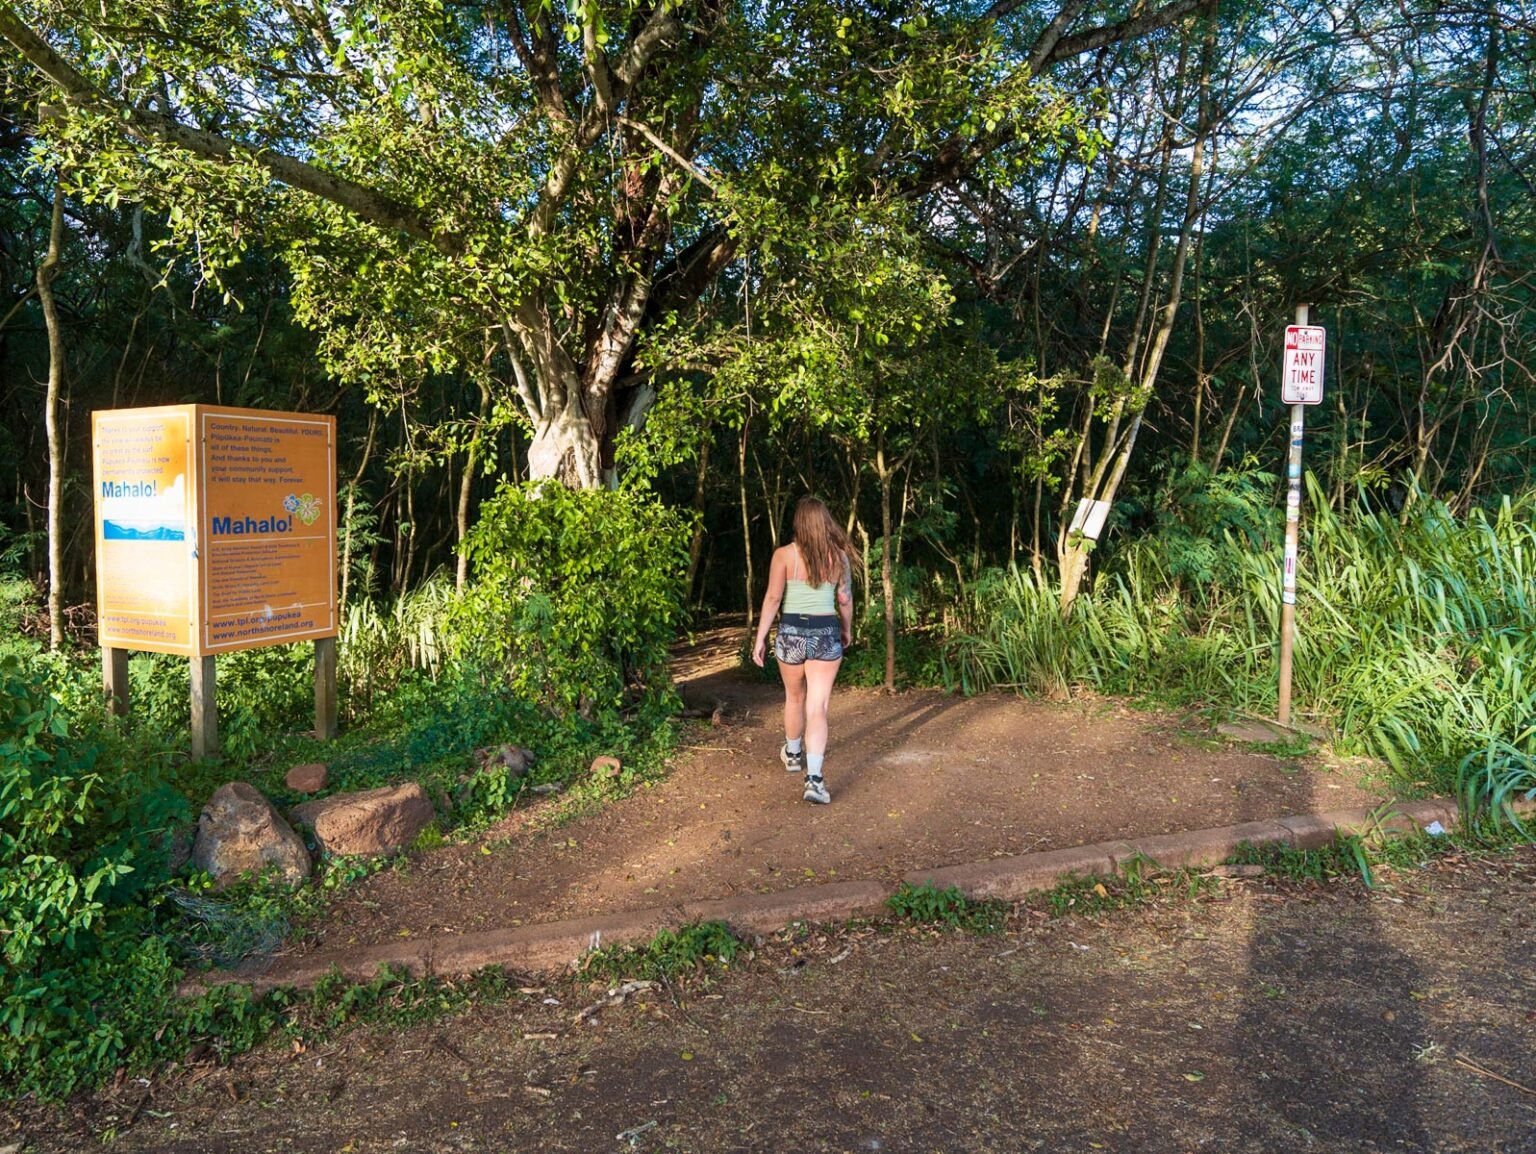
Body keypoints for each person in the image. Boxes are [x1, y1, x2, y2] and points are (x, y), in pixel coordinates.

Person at [751, 496, 854, 804]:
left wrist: (760, 639)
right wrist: (847, 629)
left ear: (798, 523)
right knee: (817, 707)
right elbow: (845, 599)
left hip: (792, 631)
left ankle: (793, 755)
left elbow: (772, 599)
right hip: (826, 632)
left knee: (794, 696)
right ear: (825, 523)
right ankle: (814, 781)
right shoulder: (839, 557)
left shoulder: (784, 555)